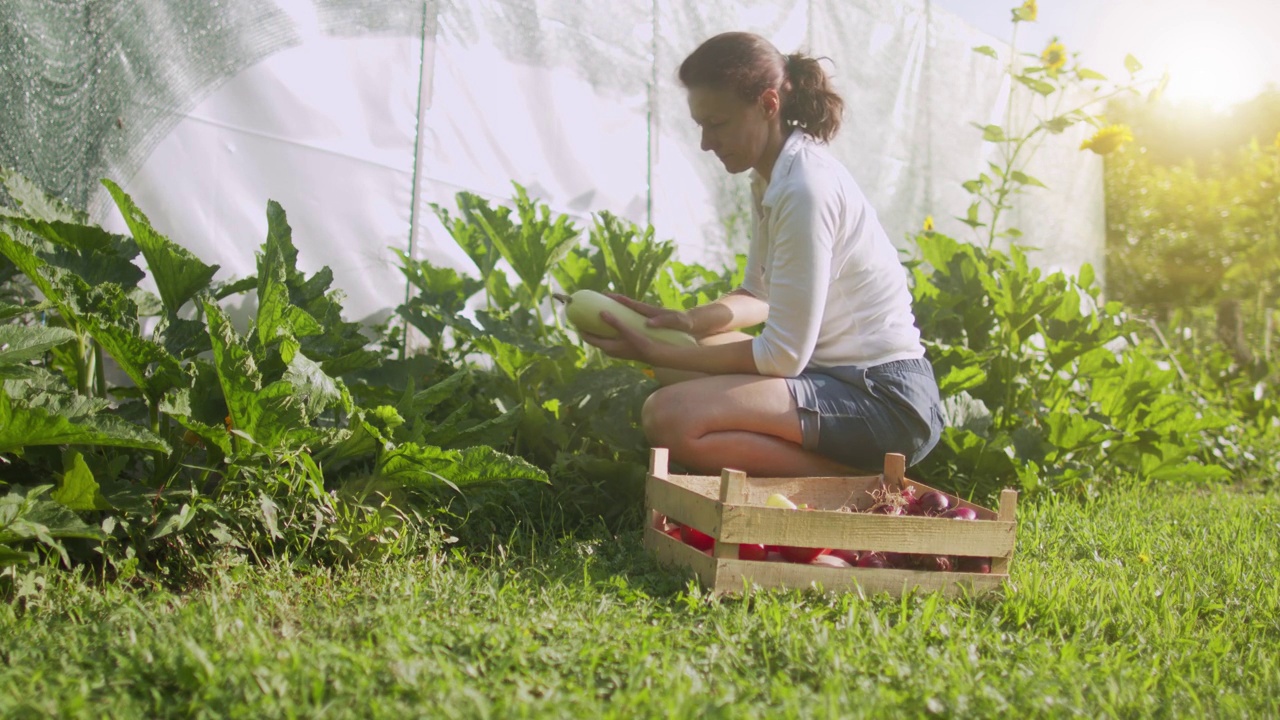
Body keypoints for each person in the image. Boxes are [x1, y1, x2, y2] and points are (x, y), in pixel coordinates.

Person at [581, 31, 944, 478]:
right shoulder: (774, 177)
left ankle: (855, 487)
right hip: (835, 379)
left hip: (886, 401)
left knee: (669, 416)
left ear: (769, 105)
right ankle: (845, 477)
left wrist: (658, 350)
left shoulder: (804, 189)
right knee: (686, 353)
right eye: (700, 125)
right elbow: (759, 294)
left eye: (717, 124)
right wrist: (684, 324)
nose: (705, 143)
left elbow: (783, 356)